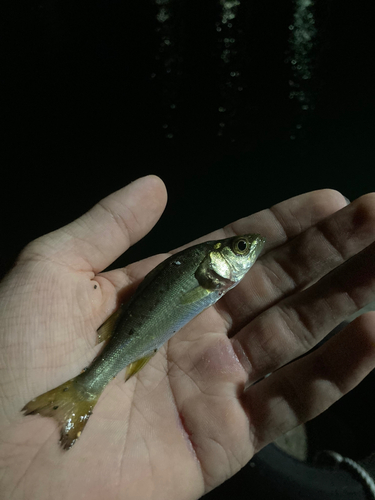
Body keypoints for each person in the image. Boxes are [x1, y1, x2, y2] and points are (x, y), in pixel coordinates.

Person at [1, 174, 375, 500]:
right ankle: (83, 390)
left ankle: (81, 395)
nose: (250, 249)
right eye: (240, 248)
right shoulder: (206, 274)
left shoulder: (211, 276)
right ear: (216, 260)